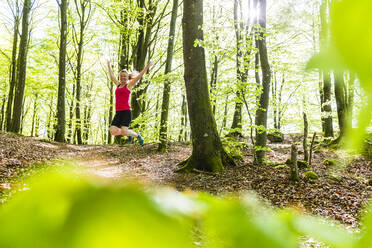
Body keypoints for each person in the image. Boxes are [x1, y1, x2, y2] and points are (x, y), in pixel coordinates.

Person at [107, 60, 152, 146]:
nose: (123, 77)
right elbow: (112, 76)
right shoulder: (118, 85)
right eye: (121, 76)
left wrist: (147, 66)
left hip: (126, 112)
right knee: (112, 131)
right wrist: (109, 65)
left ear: (128, 78)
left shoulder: (129, 85)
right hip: (118, 112)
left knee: (124, 132)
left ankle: (137, 135)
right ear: (120, 77)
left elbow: (139, 76)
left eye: (125, 76)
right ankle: (127, 132)